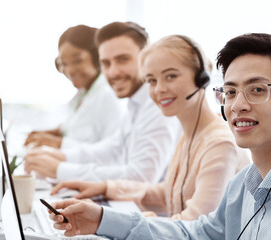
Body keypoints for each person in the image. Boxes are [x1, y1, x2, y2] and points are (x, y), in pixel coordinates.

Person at [49, 33, 271, 239]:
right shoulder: (243, 185)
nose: (237, 105)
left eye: (257, 89)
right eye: (231, 91)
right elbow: (198, 232)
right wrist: (101, 219)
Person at [50, 35, 249, 220]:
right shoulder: (191, 134)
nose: (159, 89)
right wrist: (105, 188)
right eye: (152, 80)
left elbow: (195, 225)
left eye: (170, 76)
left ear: (201, 78)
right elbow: (170, 193)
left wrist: (109, 220)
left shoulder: (219, 144)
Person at [24, 22, 180, 182]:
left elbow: (141, 177)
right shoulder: (135, 104)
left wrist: (60, 169)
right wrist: (60, 155)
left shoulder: (158, 105)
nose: (113, 72)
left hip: (142, 205)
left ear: (147, 58)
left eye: (123, 59)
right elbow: (112, 149)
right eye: (106, 63)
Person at [24, 24, 124, 149]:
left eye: (77, 60)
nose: (69, 71)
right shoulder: (84, 93)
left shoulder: (108, 96)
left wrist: (58, 143)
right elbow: (77, 129)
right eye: (64, 63)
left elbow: (112, 152)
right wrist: (51, 134)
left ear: (98, 57)